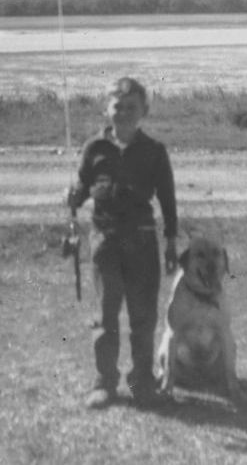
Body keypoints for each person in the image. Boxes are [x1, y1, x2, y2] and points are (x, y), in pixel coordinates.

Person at [67, 76, 178, 409]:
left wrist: (171, 240)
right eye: (118, 106)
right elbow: (82, 188)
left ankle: (140, 381)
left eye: (132, 107)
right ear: (107, 109)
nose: (125, 113)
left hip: (142, 242)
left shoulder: (154, 151)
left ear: (144, 111)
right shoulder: (94, 148)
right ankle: (105, 382)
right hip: (105, 242)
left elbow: (168, 200)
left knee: (143, 317)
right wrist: (72, 196)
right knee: (106, 314)